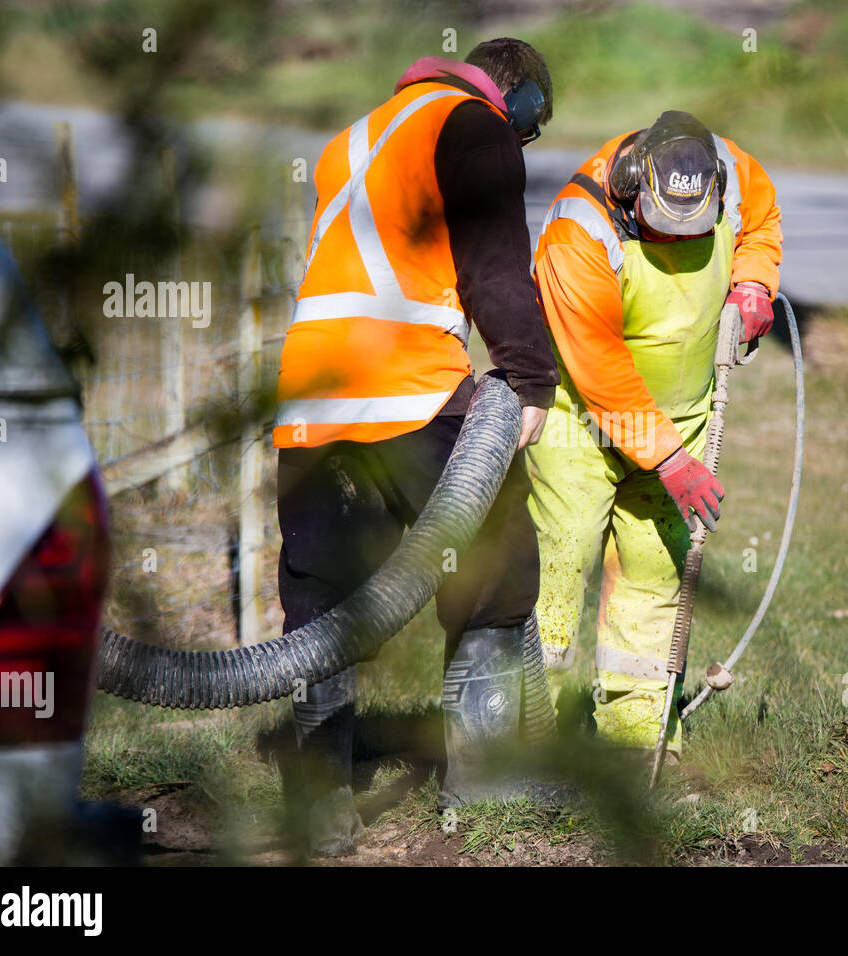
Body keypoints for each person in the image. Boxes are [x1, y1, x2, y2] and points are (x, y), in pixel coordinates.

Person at [272, 39, 559, 856]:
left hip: (309, 396)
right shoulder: (474, 128)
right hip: (408, 386)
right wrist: (530, 381)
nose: (526, 142)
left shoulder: (357, 138)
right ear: (522, 101)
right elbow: (495, 271)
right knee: (494, 565)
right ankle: (488, 781)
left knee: (319, 597)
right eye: (531, 125)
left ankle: (321, 807)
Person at [528, 110, 782, 760]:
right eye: (661, 231)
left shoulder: (731, 170)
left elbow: (761, 221)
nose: (675, 247)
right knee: (556, 570)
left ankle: (633, 744)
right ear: (631, 186)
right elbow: (599, 368)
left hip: (681, 430)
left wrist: (753, 284)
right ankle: (525, 745)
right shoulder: (577, 230)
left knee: (651, 578)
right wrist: (666, 454)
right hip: (578, 429)